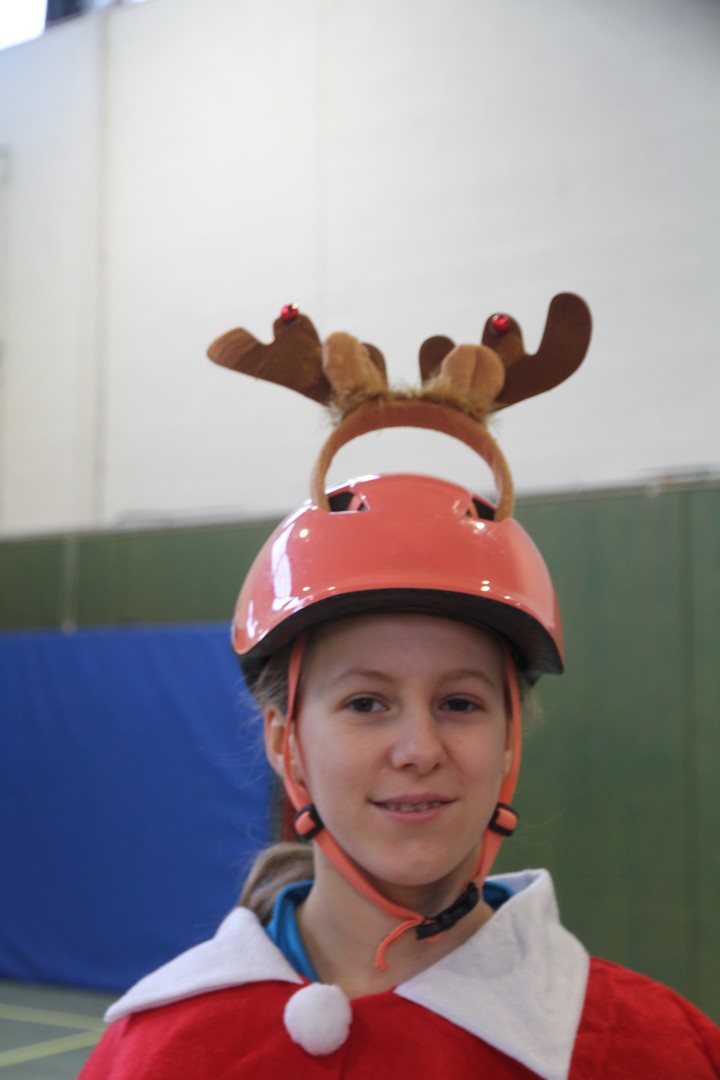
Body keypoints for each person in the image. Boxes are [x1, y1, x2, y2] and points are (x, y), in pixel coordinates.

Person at [80, 299, 720, 1078]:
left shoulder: (654, 1050)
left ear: (511, 738)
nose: (419, 748)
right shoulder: (155, 1052)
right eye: (366, 703)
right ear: (286, 741)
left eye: (460, 703)